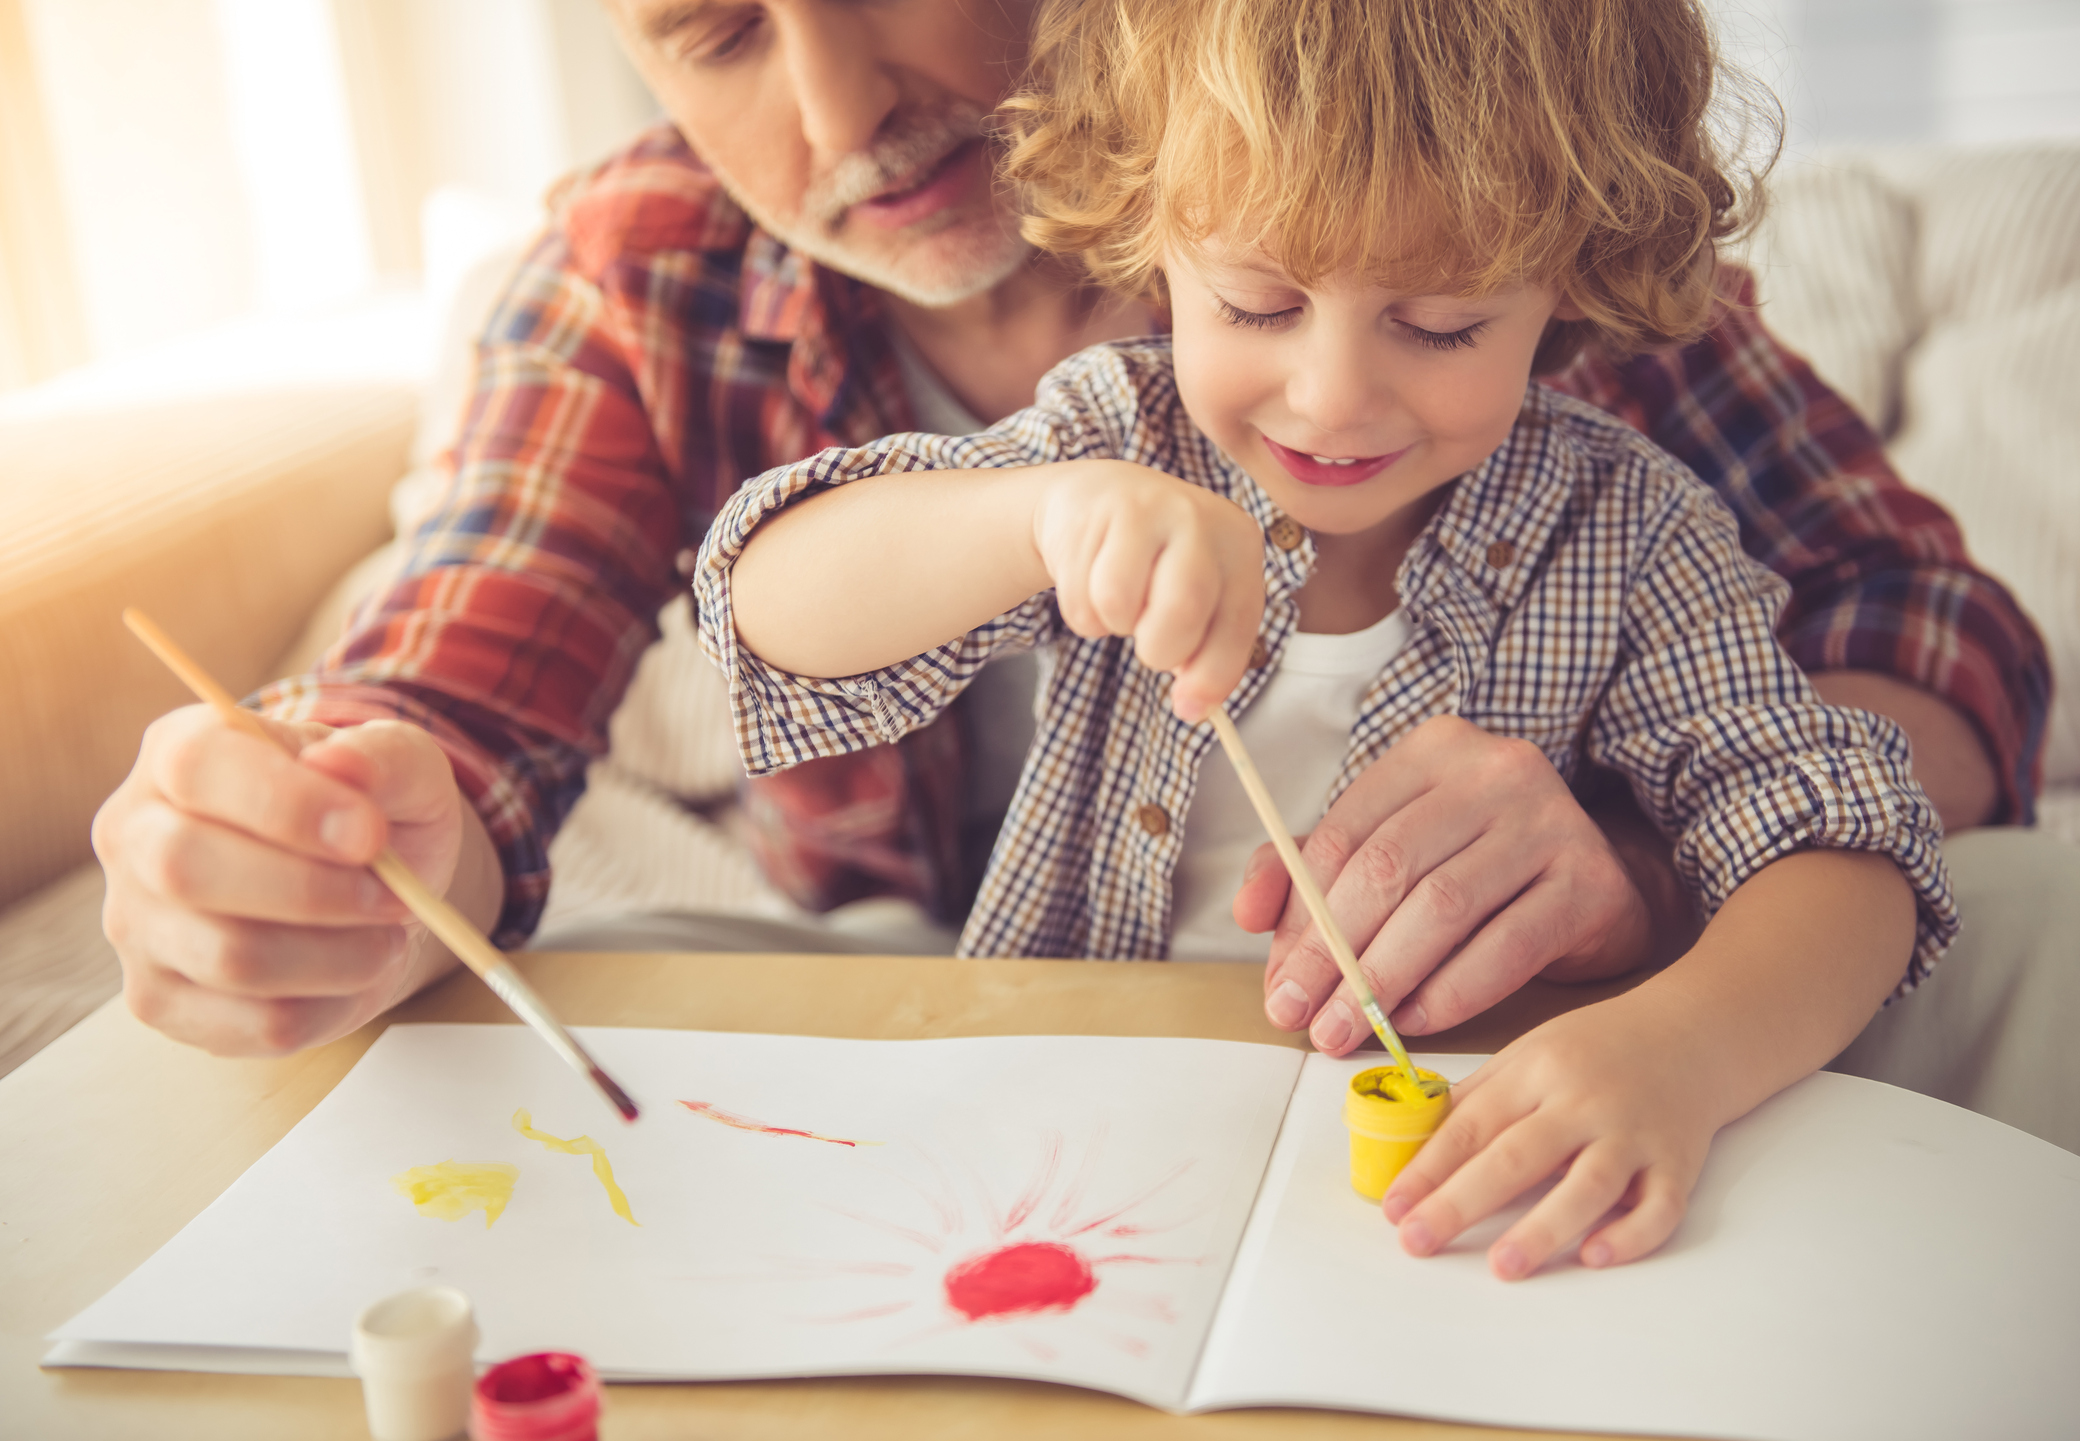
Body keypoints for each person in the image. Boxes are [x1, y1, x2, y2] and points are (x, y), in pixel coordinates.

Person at [88, 0, 2073, 1154]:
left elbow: (1903, 653)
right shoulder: (716, 300)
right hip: (999, 1048)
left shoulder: (1455, 142)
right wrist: (329, 831)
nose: (838, 107)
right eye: (705, 25)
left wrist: (1648, 893)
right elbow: (490, 698)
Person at [692, 0, 1963, 1277]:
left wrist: (1681, 1051)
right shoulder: (1111, 440)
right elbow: (762, 610)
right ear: (1154, 239)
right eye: (1254, 303)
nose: (1333, 397)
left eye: (1441, 325)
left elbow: (1850, 851)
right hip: (1081, 1143)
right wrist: (1031, 518)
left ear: (1573, 270)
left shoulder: (1633, 532)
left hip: (1458, 1166)